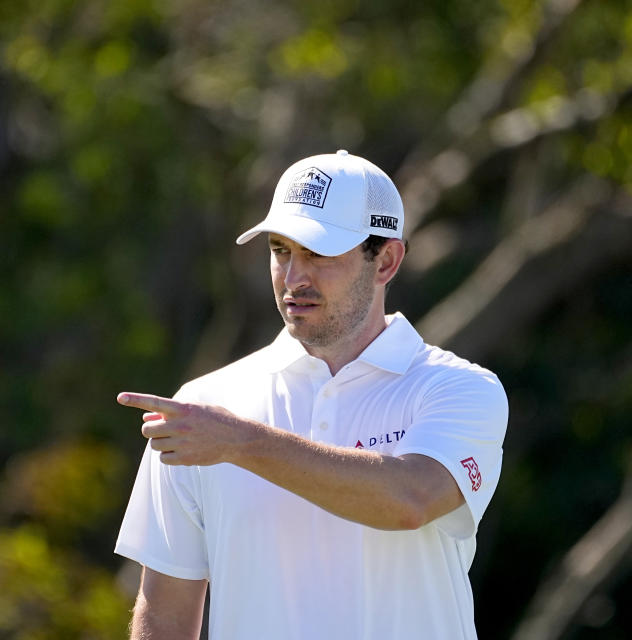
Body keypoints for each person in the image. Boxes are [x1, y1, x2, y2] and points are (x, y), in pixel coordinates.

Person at [114, 150, 508, 639]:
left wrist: (240, 443)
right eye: (281, 250)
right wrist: (229, 436)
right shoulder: (204, 406)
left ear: (386, 260)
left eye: (319, 252)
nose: (294, 277)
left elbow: (412, 498)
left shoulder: (458, 388)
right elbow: (167, 613)